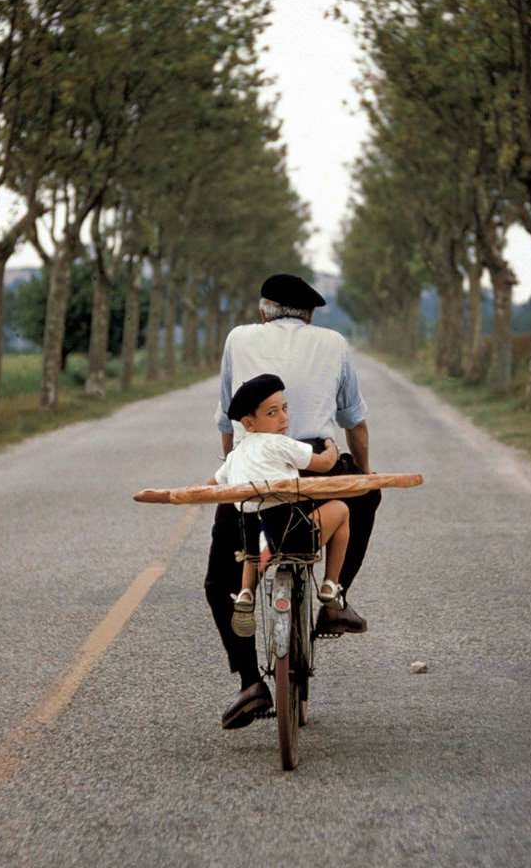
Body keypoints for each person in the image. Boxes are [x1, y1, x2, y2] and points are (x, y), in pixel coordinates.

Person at [205, 272, 382, 731]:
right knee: (365, 494)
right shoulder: (335, 343)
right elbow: (354, 423)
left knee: (219, 579)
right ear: (309, 315)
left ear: (263, 311)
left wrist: (234, 472)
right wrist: (362, 472)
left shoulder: (238, 339)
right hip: (314, 464)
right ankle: (334, 595)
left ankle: (250, 683)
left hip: (254, 475)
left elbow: (228, 421)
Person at [210, 373, 350, 637]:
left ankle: (246, 592)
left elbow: (212, 484)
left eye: (284, 409)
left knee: (255, 529)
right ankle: (331, 583)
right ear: (250, 423)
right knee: (341, 510)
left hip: (257, 542)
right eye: (273, 413)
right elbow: (324, 464)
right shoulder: (280, 444)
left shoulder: (236, 455)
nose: (284, 418)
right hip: (294, 535)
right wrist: (331, 445)